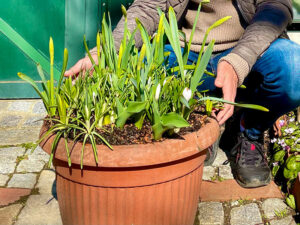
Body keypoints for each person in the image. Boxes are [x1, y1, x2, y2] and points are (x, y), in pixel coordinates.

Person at [64, 0, 300, 188]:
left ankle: (248, 131)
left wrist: (237, 61)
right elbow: (147, 8)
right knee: (135, 65)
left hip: (246, 55)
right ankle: (197, 123)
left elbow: (276, 6)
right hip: (187, 55)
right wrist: (106, 53)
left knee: (293, 66)